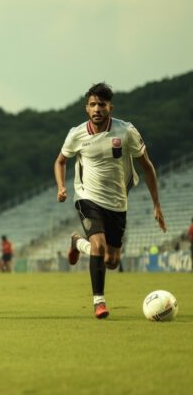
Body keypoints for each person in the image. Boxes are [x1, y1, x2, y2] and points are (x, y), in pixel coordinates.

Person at [54, 82, 166, 319]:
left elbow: (147, 167)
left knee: (112, 261)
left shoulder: (126, 132)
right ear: (87, 108)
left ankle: (76, 242)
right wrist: (62, 186)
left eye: (101, 105)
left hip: (117, 202)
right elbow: (60, 161)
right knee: (99, 245)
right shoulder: (77, 134)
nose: (97, 109)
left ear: (110, 108)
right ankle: (99, 302)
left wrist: (156, 204)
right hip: (87, 197)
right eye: (93, 104)